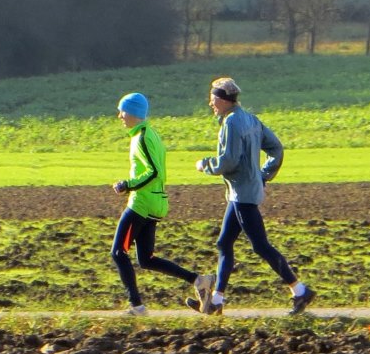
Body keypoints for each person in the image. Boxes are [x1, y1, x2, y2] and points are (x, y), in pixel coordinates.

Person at [187, 78, 315, 316]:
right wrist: (262, 176)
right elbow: (276, 148)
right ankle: (215, 301)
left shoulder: (232, 123)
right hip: (241, 193)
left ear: (223, 99)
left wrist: (205, 165)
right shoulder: (250, 118)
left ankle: (300, 291)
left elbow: (229, 161)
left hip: (242, 195)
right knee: (224, 243)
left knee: (261, 246)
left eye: (213, 98)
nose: (210, 103)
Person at [111, 92, 214, 316]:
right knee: (146, 259)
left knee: (119, 253)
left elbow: (154, 171)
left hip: (142, 203)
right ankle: (199, 280)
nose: (119, 115)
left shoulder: (141, 137)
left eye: (123, 111)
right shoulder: (151, 134)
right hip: (156, 203)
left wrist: (127, 184)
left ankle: (136, 305)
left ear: (134, 112)